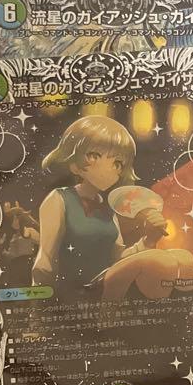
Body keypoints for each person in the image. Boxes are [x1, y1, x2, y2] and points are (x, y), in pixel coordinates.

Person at [31, 116, 169, 300]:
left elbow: (119, 260)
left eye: (119, 164)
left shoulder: (109, 209)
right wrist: (39, 308)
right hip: (69, 298)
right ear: (77, 162)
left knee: (178, 259)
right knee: (164, 262)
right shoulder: (58, 199)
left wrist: (149, 239)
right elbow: (44, 262)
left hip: (104, 294)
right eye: (94, 156)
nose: (114, 169)